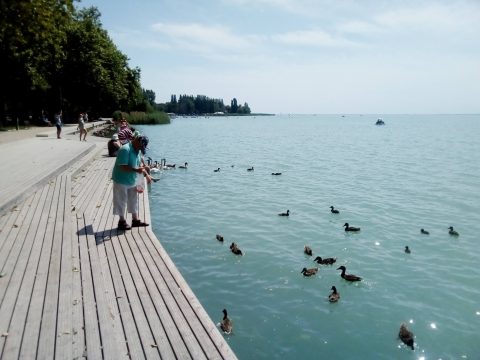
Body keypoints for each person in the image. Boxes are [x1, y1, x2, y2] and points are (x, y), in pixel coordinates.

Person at [112, 134, 152, 230]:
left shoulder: (137, 150)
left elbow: (139, 164)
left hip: (132, 179)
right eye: (140, 146)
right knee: (121, 201)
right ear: (136, 141)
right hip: (121, 180)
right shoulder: (125, 150)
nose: (140, 149)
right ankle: (121, 222)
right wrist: (136, 170)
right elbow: (123, 166)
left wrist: (147, 175)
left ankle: (135, 221)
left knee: (133, 200)